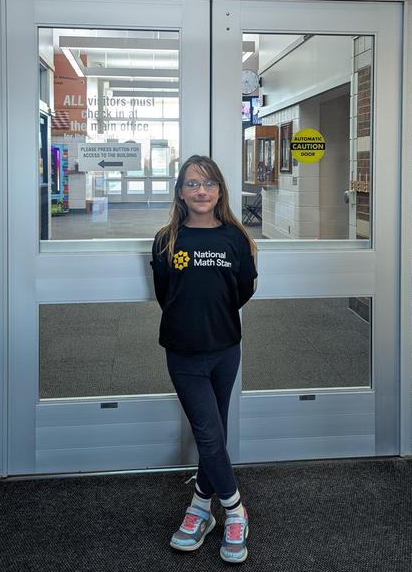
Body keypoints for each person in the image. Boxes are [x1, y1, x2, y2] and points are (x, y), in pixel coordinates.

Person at [150, 154, 258, 563]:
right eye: (192, 184)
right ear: (180, 192)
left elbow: (243, 289)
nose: (201, 191)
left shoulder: (235, 237)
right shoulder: (166, 239)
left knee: (216, 430)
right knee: (209, 433)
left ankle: (200, 507)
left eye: (209, 183)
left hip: (226, 349)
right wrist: (191, 319)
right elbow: (165, 293)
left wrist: (214, 317)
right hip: (183, 351)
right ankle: (234, 510)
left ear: (220, 191)